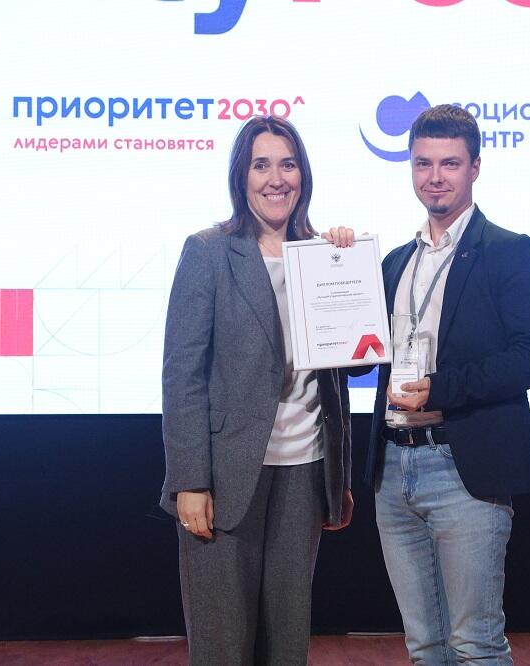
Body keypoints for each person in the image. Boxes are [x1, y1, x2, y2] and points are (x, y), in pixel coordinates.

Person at [159, 115, 356, 666]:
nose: (276, 179)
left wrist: (349, 266)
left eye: (288, 165)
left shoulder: (323, 256)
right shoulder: (209, 252)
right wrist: (190, 481)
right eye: (261, 165)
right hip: (226, 478)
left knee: (287, 644)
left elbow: (350, 368)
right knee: (223, 644)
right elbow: (182, 375)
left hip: (304, 471)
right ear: (240, 177)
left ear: (303, 175)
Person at [366, 104, 530, 665]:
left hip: (462, 467)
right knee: (424, 646)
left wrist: (441, 387)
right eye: (423, 163)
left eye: (449, 163)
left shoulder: (508, 251)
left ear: (475, 167)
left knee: (475, 644)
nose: (435, 177)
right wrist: (334, 264)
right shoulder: (394, 262)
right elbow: (362, 358)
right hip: (392, 468)